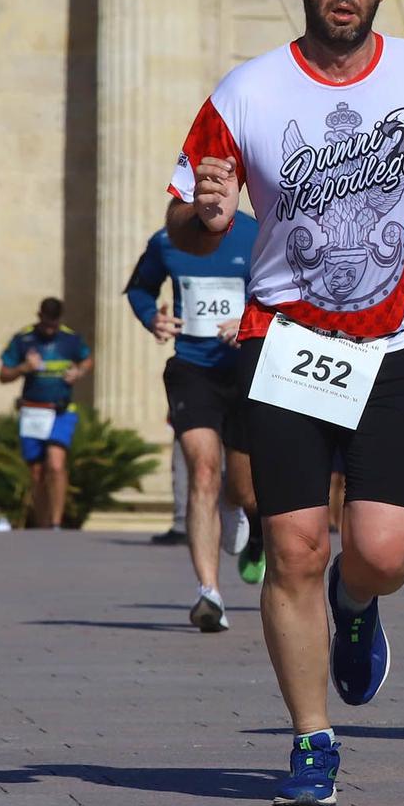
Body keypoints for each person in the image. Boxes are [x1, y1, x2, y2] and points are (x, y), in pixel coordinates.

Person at [166, 0, 404, 806]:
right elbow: (188, 224)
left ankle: (359, 610)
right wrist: (203, 217)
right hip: (283, 343)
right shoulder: (245, 93)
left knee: (383, 550)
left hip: (396, 348)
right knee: (294, 547)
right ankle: (312, 737)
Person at [126, 211, 264, 631]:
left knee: (244, 489)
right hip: (192, 370)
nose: (209, 196)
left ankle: (250, 520)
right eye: (199, 186)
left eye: (220, 184)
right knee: (203, 470)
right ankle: (210, 594)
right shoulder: (167, 241)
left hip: (246, 369)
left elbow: (286, 292)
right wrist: (153, 317)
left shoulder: (257, 234)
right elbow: (139, 289)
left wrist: (249, 319)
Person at [0, 298, 93, 530]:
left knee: (56, 464)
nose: (50, 328)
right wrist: (23, 368)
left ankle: (56, 522)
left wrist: (78, 372)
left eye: (54, 323)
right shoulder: (23, 339)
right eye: (46, 322)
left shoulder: (70, 339)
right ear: (39, 316)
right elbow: (3, 374)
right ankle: (42, 524)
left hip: (60, 410)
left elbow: (87, 359)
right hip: (33, 411)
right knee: (37, 472)